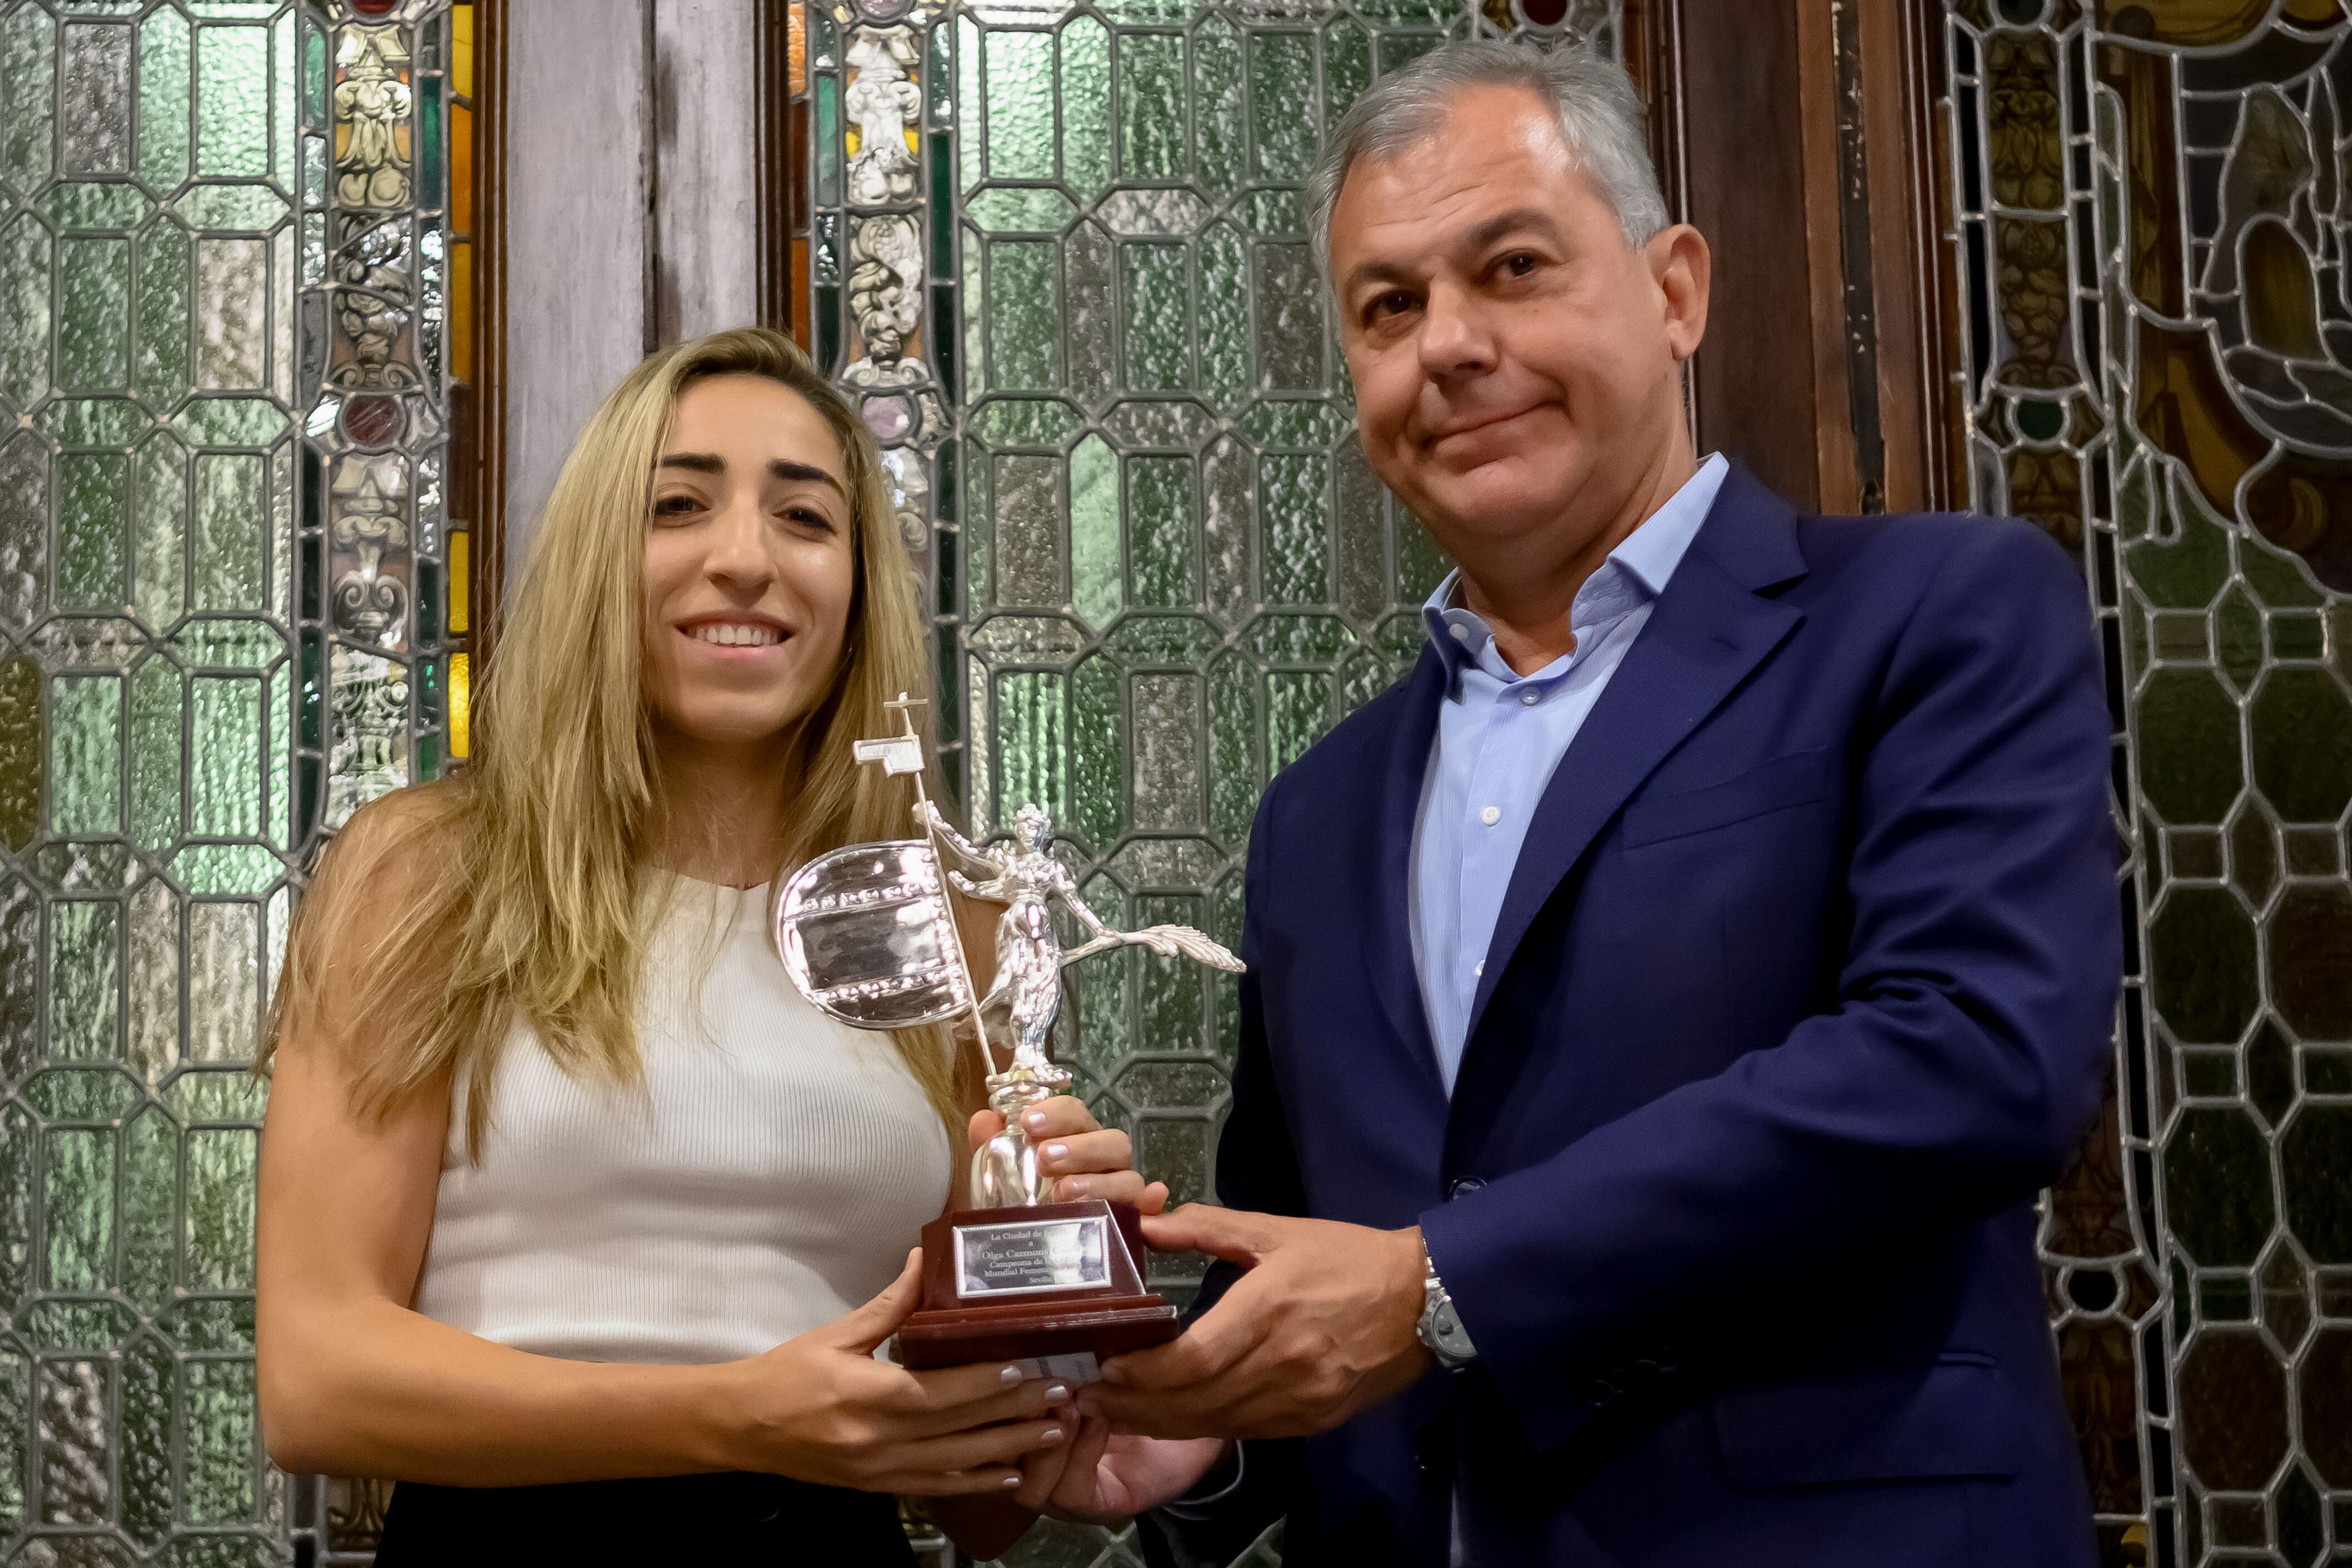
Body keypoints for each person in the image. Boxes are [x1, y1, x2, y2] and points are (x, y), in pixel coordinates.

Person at [1015, 41, 2120, 1568]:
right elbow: (1326, 1276)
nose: (1450, 345)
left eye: (1513, 267)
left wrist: (1439, 1285)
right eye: (1387, 307)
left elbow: (1974, 1057)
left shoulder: (1936, 615)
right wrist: (1199, 1440)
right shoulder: (1318, 816)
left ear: (1676, 289)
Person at [254, 328, 1163, 1563]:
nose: (745, 560)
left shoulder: (956, 925)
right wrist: (738, 1415)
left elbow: (978, 1502)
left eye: (806, 518)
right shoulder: (429, 872)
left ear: (856, 585)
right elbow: (317, 1380)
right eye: (678, 505)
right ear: (597, 560)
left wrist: (1075, 1380)